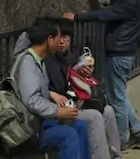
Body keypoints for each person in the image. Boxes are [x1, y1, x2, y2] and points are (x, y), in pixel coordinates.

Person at [64, 0, 140, 151]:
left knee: (116, 99)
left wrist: (78, 17)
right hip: (124, 51)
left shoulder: (131, 0)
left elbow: (108, 14)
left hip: (120, 53)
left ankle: (120, 140)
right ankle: (137, 131)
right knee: (118, 94)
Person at [12, 19, 91, 159]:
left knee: (80, 126)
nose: (61, 41)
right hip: (27, 130)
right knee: (68, 135)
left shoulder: (39, 59)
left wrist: (51, 95)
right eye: (58, 37)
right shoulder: (27, 62)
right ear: (49, 39)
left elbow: (32, 89)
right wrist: (58, 112)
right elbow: (31, 100)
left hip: (38, 123)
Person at [45, 20, 123, 159]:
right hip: (62, 108)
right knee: (94, 117)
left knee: (109, 111)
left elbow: (80, 84)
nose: (62, 41)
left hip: (77, 101)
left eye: (66, 37)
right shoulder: (47, 60)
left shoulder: (72, 57)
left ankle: (115, 155)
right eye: (60, 37)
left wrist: (85, 73)